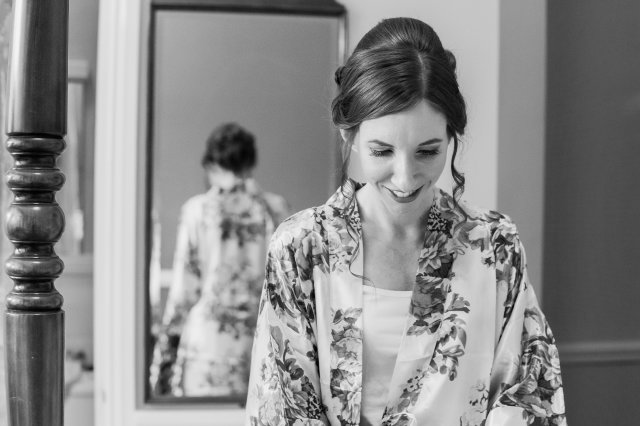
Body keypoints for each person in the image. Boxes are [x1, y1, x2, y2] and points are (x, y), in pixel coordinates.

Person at [245, 17, 566, 426]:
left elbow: (529, 395)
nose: (405, 177)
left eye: (427, 152)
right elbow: (283, 408)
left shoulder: (495, 246)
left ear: (450, 137)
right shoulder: (301, 248)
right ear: (350, 137)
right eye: (382, 151)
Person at [150, 122, 289, 397]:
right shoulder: (276, 209)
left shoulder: (197, 210)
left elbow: (183, 292)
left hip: (207, 346)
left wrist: (165, 355)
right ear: (250, 163)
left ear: (211, 165)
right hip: (259, 342)